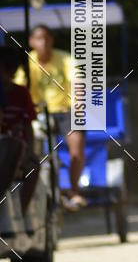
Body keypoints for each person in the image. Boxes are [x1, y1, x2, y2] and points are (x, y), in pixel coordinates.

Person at [15, 24, 86, 210]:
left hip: (65, 111)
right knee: (32, 150)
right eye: (39, 38)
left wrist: (78, 103)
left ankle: (74, 191)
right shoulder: (27, 62)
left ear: (52, 40)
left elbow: (77, 80)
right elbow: (19, 86)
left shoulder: (65, 58)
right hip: (37, 114)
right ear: (31, 41)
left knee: (77, 148)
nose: (43, 43)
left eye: (47, 38)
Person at [0, 45, 39, 212]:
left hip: (16, 150)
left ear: (11, 71)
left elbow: (28, 127)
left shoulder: (21, 94)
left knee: (33, 166)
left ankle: (20, 213)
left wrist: (29, 151)